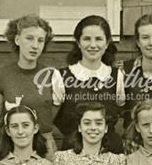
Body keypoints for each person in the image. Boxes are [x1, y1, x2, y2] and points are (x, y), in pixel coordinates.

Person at [52, 15, 126, 153]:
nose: (93, 45)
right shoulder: (62, 76)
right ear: (78, 42)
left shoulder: (117, 76)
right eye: (87, 39)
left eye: (98, 39)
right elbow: (52, 118)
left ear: (107, 42)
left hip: (110, 153)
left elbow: (124, 111)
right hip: (74, 154)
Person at [0, 15, 60, 157]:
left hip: (43, 146)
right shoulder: (2, 75)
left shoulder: (51, 75)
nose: (35, 45)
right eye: (29, 38)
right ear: (17, 40)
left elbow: (53, 110)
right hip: (11, 144)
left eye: (40, 40)